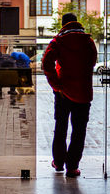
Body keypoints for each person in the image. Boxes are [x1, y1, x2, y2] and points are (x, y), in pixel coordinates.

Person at [41, 13, 97, 177]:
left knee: (61, 128)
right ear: (77, 23)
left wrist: (56, 84)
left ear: (63, 24)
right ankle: (72, 167)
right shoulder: (88, 41)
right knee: (79, 130)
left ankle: (58, 162)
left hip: (63, 92)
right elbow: (92, 61)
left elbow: (46, 63)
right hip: (83, 92)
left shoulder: (58, 41)